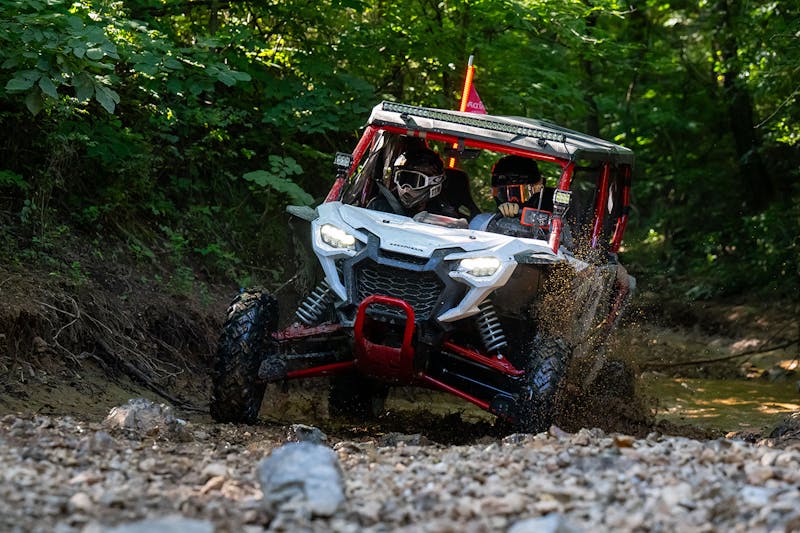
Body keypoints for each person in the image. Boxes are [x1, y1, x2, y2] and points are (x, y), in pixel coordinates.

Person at [368, 148, 467, 221]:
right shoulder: (379, 206)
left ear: (434, 182)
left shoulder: (445, 217)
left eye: (415, 181)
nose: (406, 188)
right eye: (402, 179)